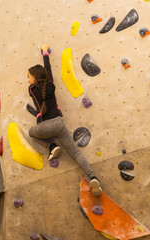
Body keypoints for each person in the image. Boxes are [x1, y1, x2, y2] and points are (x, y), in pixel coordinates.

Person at [27, 44, 102, 197]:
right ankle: (93, 176)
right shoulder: (50, 85)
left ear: (34, 78)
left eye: (28, 76)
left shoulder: (32, 90)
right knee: (75, 152)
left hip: (46, 127)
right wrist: (46, 53)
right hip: (59, 123)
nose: (27, 79)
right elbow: (48, 71)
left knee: (31, 133)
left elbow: (44, 74)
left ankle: (51, 146)